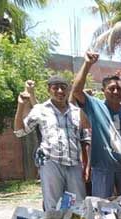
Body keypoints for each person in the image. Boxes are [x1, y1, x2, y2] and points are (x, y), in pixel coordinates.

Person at [71, 52, 121, 198]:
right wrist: (87, 65)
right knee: (102, 209)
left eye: (119, 89)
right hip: (103, 169)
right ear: (103, 91)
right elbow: (77, 91)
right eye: (112, 88)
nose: (116, 92)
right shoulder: (95, 106)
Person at [14, 76, 91, 210]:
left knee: (78, 206)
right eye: (55, 88)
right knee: (53, 206)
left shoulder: (77, 112)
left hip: (74, 164)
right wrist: (20, 106)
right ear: (49, 90)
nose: (60, 91)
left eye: (63, 87)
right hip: (51, 163)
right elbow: (20, 132)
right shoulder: (40, 110)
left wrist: (86, 164)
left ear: (68, 90)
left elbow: (87, 138)